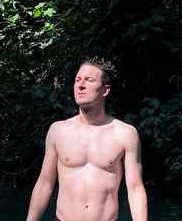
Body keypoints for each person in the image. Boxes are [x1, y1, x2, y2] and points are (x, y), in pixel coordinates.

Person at [26, 58, 148, 221]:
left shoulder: (125, 134)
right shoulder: (58, 130)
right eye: (77, 80)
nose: (80, 85)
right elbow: (44, 184)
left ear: (105, 90)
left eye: (89, 80)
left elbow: (135, 190)